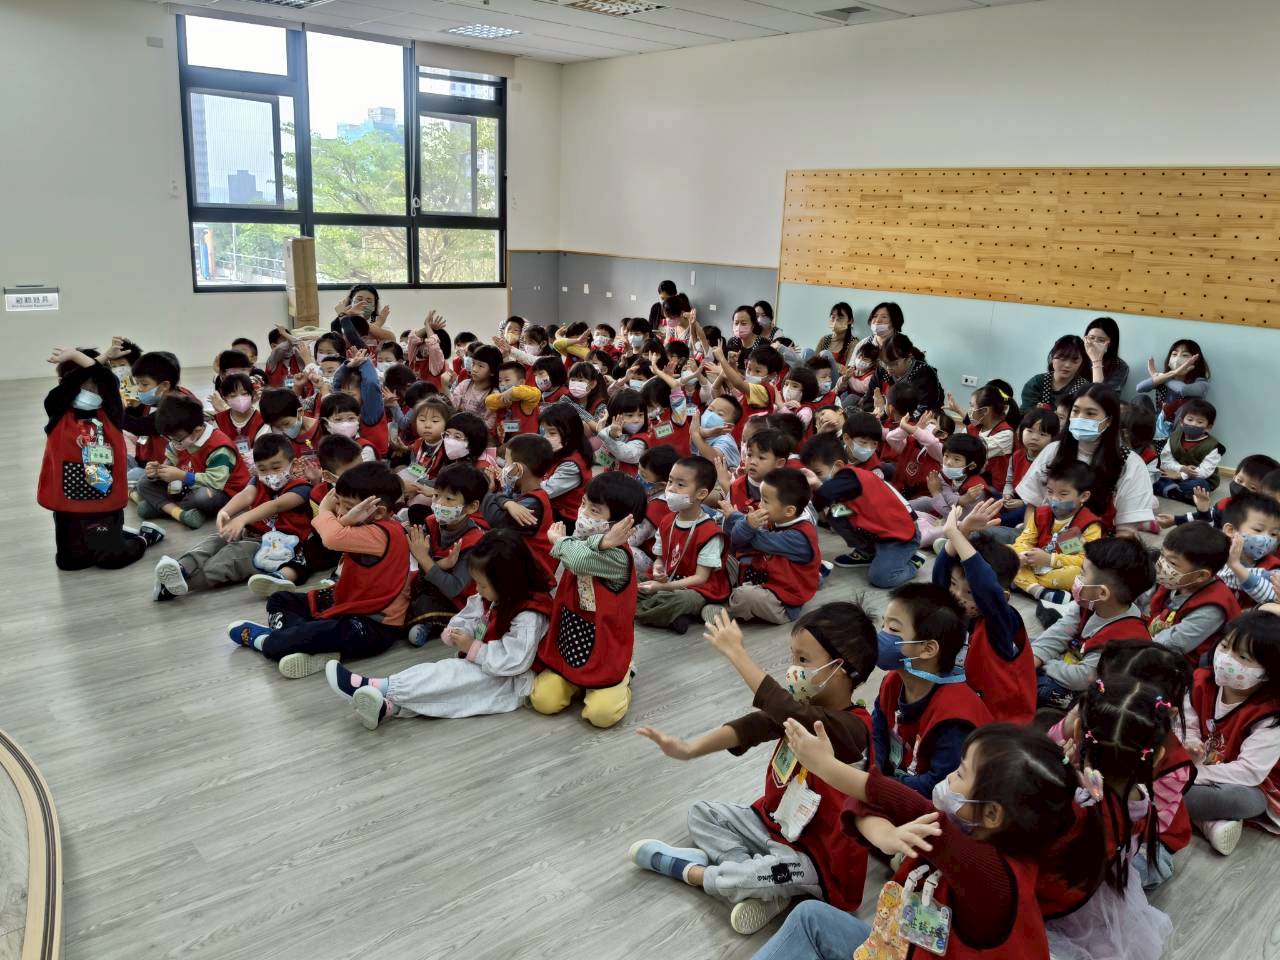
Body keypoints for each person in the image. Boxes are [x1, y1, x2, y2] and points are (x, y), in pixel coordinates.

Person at [630, 603, 877, 936]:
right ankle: (764, 888)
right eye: (793, 657)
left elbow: (785, 709)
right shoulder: (804, 707)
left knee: (754, 876)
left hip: (814, 859)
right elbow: (754, 726)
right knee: (702, 813)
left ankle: (695, 873)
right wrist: (688, 749)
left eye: (803, 660)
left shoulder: (854, 730)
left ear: (842, 668)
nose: (793, 669)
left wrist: (736, 653)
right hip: (771, 824)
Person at [755, 722, 1083, 960]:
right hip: (897, 948)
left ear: (993, 814)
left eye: (961, 773)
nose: (950, 777)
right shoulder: (968, 832)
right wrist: (886, 836)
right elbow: (869, 803)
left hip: (905, 948)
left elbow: (905, 803)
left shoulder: (993, 879)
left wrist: (828, 767)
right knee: (809, 917)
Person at [326, 529, 554, 729]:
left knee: (449, 679)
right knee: (447, 690)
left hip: (512, 680)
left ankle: (378, 686)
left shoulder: (528, 614)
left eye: (482, 585)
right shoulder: (493, 596)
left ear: (508, 582)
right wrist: (456, 632)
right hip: (487, 665)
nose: (478, 589)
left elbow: (514, 661)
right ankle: (388, 707)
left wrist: (472, 647)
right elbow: (469, 615)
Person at [228, 461, 410, 679]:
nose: (339, 511)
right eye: (337, 503)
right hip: (347, 604)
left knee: (304, 635)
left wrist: (324, 510)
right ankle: (310, 646)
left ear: (378, 512)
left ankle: (266, 640)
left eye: (347, 506)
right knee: (280, 599)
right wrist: (346, 517)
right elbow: (330, 534)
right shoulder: (365, 523)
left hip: (374, 626)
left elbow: (331, 538)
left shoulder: (382, 533)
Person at [1043, 677, 1173, 960]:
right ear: (1157, 756)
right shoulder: (1139, 800)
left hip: (1055, 907)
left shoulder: (1063, 797)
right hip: (1105, 897)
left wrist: (1059, 767)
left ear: (1077, 730)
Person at [530, 473, 646, 728]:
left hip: (606, 646)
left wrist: (560, 541)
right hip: (571, 634)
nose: (583, 513)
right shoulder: (586, 540)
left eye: (594, 510)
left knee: (601, 716)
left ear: (620, 523)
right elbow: (579, 550)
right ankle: (576, 679)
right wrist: (601, 540)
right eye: (583, 504)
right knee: (543, 701)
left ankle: (624, 674)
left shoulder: (618, 557)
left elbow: (579, 559)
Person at [39, 347, 164, 570]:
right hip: (68, 508)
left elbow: (107, 380)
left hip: (104, 507)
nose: (89, 391)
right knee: (69, 563)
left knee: (111, 560)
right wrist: (85, 363)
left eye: (93, 385)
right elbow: (68, 386)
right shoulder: (57, 412)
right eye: (83, 385)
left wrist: (78, 357)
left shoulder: (111, 412)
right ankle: (116, 535)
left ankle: (144, 537)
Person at [151, 433, 312, 601]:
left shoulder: (302, 488)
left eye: (276, 468)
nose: (269, 474)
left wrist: (242, 519)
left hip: (277, 547)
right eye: (263, 469)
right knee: (216, 539)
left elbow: (275, 506)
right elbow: (246, 495)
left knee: (230, 557)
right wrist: (225, 512)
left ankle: (177, 586)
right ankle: (181, 567)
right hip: (251, 533)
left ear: (293, 465)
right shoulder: (258, 481)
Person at [873, 583, 993, 796]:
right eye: (884, 625)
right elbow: (877, 733)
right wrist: (874, 772)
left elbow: (940, 785)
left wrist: (881, 787)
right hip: (899, 782)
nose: (882, 635)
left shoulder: (955, 716)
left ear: (928, 649)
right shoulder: (893, 681)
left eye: (893, 629)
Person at [1182, 610, 1280, 854]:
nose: (1226, 659)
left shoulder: (1271, 714)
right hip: (1202, 765)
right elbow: (1186, 723)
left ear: (1268, 671)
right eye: (1225, 646)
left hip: (1250, 784)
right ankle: (1208, 823)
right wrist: (1190, 743)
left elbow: (1250, 772)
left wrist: (1191, 774)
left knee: (1242, 799)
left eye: (1243, 657)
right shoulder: (1202, 681)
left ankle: (1181, 806)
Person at [935, 501, 1035, 724]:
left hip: (997, 722)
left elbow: (985, 585)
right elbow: (940, 577)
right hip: (962, 704)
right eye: (954, 585)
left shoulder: (1000, 622)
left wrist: (955, 534)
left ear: (1003, 597)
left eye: (970, 592)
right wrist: (962, 532)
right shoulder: (956, 610)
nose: (957, 596)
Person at [1031, 537, 1155, 709]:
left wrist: (1044, 664)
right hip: (1073, 661)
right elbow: (1059, 632)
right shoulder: (1089, 604)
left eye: (1083, 574)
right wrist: (1034, 657)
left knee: (1043, 689)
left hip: (1094, 690)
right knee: (1023, 649)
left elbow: (1083, 678)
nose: (1077, 578)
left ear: (1102, 593)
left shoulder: (1124, 640)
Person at [1016, 384, 1156, 534]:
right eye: (1075, 411)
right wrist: (1030, 540)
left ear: (1109, 420)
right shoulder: (1053, 450)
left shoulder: (1130, 464)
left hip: (1096, 542)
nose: (1080, 418)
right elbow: (1033, 504)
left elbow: (1126, 531)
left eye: (1090, 413)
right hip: (1042, 536)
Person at [248, 434, 361, 597]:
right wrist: (331, 513)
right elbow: (321, 529)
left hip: (359, 538)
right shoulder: (319, 494)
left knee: (359, 547)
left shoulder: (369, 487)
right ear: (329, 477)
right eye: (352, 473)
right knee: (308, 549)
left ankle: (338, 578)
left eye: (362, 467)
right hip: (331, 540)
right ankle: (283, 576)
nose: (360, 475)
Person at [636, 456, 730, 635]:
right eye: (670, 481)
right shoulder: (667, 521)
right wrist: (658, 569)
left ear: (701, 494)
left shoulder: (710, 532)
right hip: (668, 581)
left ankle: (650, 610)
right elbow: (659, 559)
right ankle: (670, 615)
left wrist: (661, 587)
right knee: (629, 580)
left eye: (680, 484)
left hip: (696, 589)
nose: (671, 488)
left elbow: (701, 578)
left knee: (682, 600)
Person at [717, 468, 822, 625]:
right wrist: (742, 521)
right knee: (720, 557)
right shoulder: (777, 519)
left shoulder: (799, 537)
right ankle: (720, 594)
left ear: (789, 510)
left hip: (782, 601)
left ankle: (721, 607)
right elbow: (738, 541)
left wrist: (739, 519)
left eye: (765, 501)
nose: (760, 504)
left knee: (746, 596)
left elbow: (756, 540)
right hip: (762, 578)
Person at [134, 392, 250, 529]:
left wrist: (183, 476)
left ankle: (163, 507)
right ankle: (181, 512)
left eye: (177, 438)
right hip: (188, 488)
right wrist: (157, 472)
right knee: (144, 483)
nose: (173, 442)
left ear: (197, 430)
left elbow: (215, 482)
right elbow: (170, 462)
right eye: (169, 438)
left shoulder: (219, 447)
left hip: (224, 491)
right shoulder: (179, 439)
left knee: (205, 498)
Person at [812, 446, 922, 588]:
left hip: (900, 538)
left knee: (880, 578)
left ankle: (911, 562)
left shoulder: (857, 478)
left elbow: (823, 494)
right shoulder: (844, 483)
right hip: (876, 533)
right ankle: (868, 552)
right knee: (833, 513)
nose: (816, 477)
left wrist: (816, 493)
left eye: (818, 473)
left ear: (838, 465)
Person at [404, 463, 489, 646]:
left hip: (460, 600)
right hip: (433, 583)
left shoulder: (474, 541)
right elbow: (422, 568)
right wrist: (440, 564)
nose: (439, 503)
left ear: (471, 507)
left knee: (427, 603)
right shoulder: (431, 523)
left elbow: (453, 588)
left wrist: (424, 558)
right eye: (436, 495)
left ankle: (430, 624)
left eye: (449, 499)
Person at [1146, 521, 1239, 665]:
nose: (1162, 565)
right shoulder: (1177, 581)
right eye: (1163, 555)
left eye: (1172, 563)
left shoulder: (1211, 609)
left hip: (1184, 665)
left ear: (1201, 575)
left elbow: (1171, 643)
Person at [1011, 461, 1103, 605]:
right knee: (1007, 552)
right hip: (1032, 563)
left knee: (1077, 574)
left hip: (1058, 570)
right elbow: (1024, 540)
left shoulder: (1088, 524)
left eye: (1063, 494)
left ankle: (1022, 584)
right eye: (1050, 491)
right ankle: (1039, 591)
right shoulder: (1040, 514)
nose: (1054, 498)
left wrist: (1050, 559)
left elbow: (1083, 560)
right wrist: (1023, 555)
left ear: (1084, 496)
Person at [481, 433, 556, 582]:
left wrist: (487, 492)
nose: (504, 468)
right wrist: (506, 501)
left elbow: (496, 519)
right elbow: (505, 500)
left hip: (531, 577)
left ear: (518, 469)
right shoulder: (525, 492)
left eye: (507, 463)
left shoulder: (532, 504)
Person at [1162, 453, 1279, 529]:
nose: (1242, 487)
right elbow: (1207, 521)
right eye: (1239, 480)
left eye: (1252, 488)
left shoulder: (1270, 516)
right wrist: (1176, 520)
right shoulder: (1225, 504)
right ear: (1234, 476)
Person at [1134, 339, 1210, 442]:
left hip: (1181, 430)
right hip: (1157, 424)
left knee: (1185, 408)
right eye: (1174, 354)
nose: (1178, 358)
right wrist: (1171, 374)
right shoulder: (1164, 378)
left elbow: (1183, 390)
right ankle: (1143, 440)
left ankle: (1173, 444)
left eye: (1185, 355)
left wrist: (1162, 376)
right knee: (1140, 399)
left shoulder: (1201, 383)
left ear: (1195, 360)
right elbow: (1139, 388)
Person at [1153, 398, 1224, 503]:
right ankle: (1177, 493)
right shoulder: (1174, 437)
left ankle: (1169, 490)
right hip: (1175, 472)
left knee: (1199, 485)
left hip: (1199, 479)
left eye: (1200, 422)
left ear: (1208, 427)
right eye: (1190, 420)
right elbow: (1165, 460)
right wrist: (1181, 468)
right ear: (1182, 422)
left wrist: (1182, 475)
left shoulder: (1214, 446)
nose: (1193, 424)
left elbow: (1204, 471)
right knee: (1154, 473)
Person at [1219, 493, 1280, 608]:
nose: (1266, 539)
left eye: (1273, 534)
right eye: (1258, 530)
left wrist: (1236, 566)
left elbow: (1272, 595)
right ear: (1231, 530)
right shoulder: (1214, 553)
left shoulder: (1273, 567)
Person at [859, 333, 943, 412]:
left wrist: (887, 409)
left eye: (893, 364)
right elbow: (867, 404)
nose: (888, 369)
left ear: (908, 358)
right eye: (884, 363)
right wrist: (879, 411)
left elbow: (925, 410)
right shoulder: (881, 371)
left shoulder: (925, 374)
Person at [538, 404, 591, 527]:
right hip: (555, 512)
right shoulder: (558, 453)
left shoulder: (572, 465)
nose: (545, 437)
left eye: (552, 433)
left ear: (569, 433)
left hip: (567, 520)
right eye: (543, 432)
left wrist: (519, 479)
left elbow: (546, 491)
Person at [959, 381, 1017, 491]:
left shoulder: (1006, 434)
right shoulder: (971, 428)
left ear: (985, 410)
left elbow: (970, 452)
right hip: (970, 481)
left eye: (972, 406)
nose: (969, 410)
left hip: (992, 489)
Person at [1020, 334, 1092, 413]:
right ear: (1052, 357)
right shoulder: (1036, 383)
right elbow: (1027, 414)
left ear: (1082, 362)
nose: (1067, 365)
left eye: (1074, 361)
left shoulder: (1085, 389)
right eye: (1062, 359)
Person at [1082, 316, 1129, 393]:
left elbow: (1100, 395)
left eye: (1101, 340)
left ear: (1111, 344)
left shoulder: (1120, 366)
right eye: (1091, 338)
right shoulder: (1077, 357)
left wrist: (1096, 360)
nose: (1094, 343)